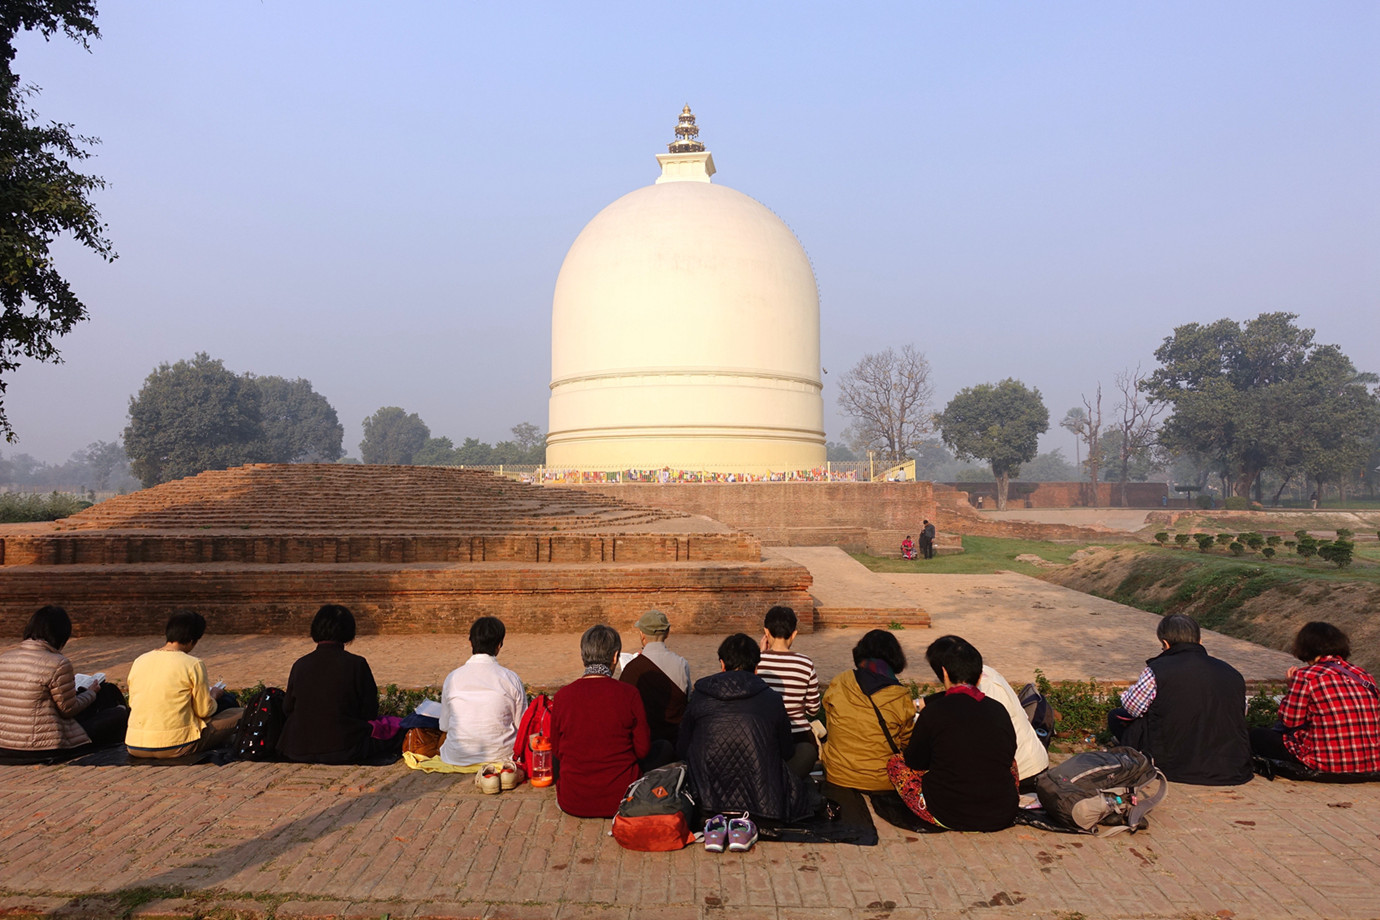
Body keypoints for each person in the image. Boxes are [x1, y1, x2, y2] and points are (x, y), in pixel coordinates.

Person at [679, 633, 818, 822]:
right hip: (763, 800)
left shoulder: (700, 694)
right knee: (808, 750)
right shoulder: (772, 698)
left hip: (706, 797)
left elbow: (683, 746)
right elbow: (786, 752)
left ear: (722, 663)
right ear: (756, 667)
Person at [889, 635, 1018, 831]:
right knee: (1011, 764)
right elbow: (1008, 756)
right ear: (980, 675)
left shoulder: (934, 711)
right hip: (1002, 813)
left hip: (948, 813)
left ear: (944, 673)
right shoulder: (998, 709)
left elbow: (915, 762)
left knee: (895, 763)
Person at [1106, 614, 1252, 785]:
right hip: (1231, 768)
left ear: (1166, 643)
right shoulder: (1231, 672)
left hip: (1172, 765)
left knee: (1117, 716)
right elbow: (1241, 712)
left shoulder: (1157, 670)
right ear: (1200, 641)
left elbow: (1132, 707)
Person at [551, 624, 666, 818]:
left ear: (583, 656)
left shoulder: (563, 696)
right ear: (615, 657)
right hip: (621, 799)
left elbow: (556, 750)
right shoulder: (629, 694)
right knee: (664, 748)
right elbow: (643, 749)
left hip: (573, 800)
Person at [0, 606, 128, 762]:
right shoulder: (58, 663)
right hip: (43, 747)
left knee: (106, 692)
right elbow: (69, 709)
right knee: (119, 713)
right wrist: (91, 692)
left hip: (6, 745)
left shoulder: (4, 658)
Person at [1250, 622, 1380, 774]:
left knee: (1257, 735)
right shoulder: (1363, 675)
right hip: (1370, 761)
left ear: (1305, 647)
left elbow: (1289, 720)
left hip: (1325, 762)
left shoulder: (1307, 676)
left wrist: (1292, 687)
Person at [923, 635, 1048, 788]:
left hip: (1021, 773)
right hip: (1028, 764)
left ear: (945, 672)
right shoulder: (981, 674)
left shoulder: (984, 697)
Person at [278, 605, 396, 764]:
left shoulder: (300, 665)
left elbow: (288, 708)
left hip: (298, 748)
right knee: (395, 732)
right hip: (344, 747)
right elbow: (369, 712)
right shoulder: (356, 664)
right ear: (348, 630)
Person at [127, 610, 242, 760]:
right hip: (176, 744)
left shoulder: (140, 661)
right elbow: (204, 711)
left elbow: (133, 702)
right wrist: (213, 695)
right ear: (192, 640)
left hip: (135, 744)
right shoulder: (192, 664)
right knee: (241, 713)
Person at [820, 629, 915, 791]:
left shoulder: (841, 681)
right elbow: (907, 743)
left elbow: (831, 722)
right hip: (883, 782)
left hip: (837, 774)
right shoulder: (900, 697)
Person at [438, 616, 526, 768]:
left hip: (455, 756)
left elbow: (444, 726)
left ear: (471, 642)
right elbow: (522, 725)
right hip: (502, 756)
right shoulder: (510, 678)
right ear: (499, 645)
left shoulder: (452, 677)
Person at [755, 606, 822, 778]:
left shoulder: (756, 663)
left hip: (763, 735)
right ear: (794, 634)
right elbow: (814, 709)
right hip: (798, 737)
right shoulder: (805, 663)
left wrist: (760, 654)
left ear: (766, 632)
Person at [618, 609, 691, 747]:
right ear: (667, 633)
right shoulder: (682, 664)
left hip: (644, 741)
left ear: (642, 635)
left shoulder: (632, 668)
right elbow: (686, 700)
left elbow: (623, 707)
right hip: (675, 739)